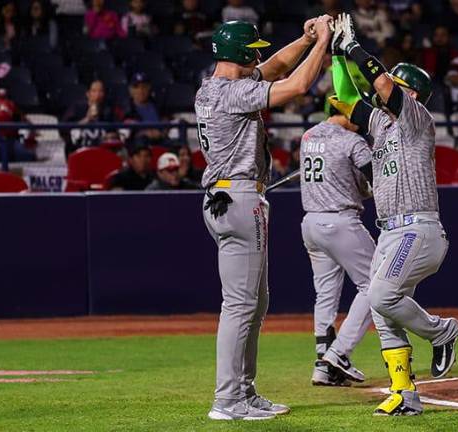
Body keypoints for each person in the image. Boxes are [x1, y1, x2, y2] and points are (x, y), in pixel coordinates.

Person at [196, 17, 332, 421]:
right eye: (252, 49)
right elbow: (295, 86)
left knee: (255, 303)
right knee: (240, 304)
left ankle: (244, 391)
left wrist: (305, 39)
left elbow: (272, 68)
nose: (258, 54)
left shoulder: (211, 87)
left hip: (226, 197)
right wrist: (322, 42)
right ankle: (227, 400)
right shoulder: (233, 92)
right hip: (238, 198)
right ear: (239, 53)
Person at [331, 13, 458, 416]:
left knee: (384, 295)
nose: (384, 91)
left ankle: (442, 332)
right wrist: (337, 55)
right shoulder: (382, 125)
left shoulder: (417, 120)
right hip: (390, 231)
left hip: (418, 229)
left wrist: (354, 47)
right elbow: (343, 100)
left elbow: (383, 83)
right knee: (381, 308)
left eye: (398, 86)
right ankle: (405, 395)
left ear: (413, 94)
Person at [302, 54, 376, 388]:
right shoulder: (353, 141)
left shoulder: (307, 136)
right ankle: (339, 353)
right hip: (340, 222)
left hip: (311, 225)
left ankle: (322, 364)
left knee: (325, 295)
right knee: (378, 285)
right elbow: (374, 183)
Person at [61, 80, 124, 156]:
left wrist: (111, 136)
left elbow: (117, 132)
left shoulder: (108, 110)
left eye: (101, 91)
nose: (97, 95)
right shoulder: (77, 108)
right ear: (88, 94)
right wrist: (87, 119)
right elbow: (64, 129)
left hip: (102, 153)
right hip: (80, 152)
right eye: (94, 91)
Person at [123, 73, 167, 147]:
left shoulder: (157, 106)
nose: (140, 90)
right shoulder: (126, 109)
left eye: (144, 87)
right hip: (137, 145)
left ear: (149, 88)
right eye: (136, 87)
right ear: (131, 90)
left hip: (160, 141)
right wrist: (144, 133)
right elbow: (126, 133)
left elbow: (166, 121)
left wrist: (162, 133)